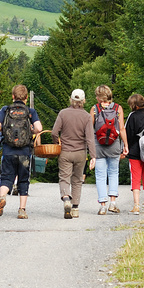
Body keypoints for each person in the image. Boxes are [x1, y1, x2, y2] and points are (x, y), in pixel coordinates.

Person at [0, 84, 41, 219]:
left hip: (8, 150)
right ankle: (22, 210)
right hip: (25, 151)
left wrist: (4, 129)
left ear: (13, 96)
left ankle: (2, 197)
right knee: (23, 180)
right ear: (26, 98)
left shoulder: (6, 110)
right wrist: (30, 130)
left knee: (7, 177)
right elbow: (39, 128)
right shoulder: (30, 111)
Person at [51, 89, 96, 219]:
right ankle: (75, 208)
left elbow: (54, 132)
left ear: (71, 100)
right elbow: (89, 138)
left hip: (65, 151)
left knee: (64, 178)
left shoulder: (63, 113)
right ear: (83, 101)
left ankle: (66, 199)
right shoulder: (87, 116)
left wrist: (57, 143)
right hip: (80, 153)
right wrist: (93, 156)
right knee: (77, 180)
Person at [89, 84, 128, 215]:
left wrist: (90, 148)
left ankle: (102, 205)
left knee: (100, 175)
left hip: (98, 145)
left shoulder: (94, 109)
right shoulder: (118, 108)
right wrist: (125, 145)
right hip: (114, 145)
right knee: (113, 173)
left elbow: (90, 129)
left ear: (99, 97)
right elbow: (122, 128)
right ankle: (113, 203)